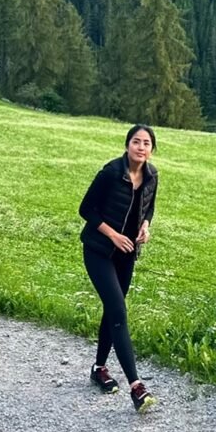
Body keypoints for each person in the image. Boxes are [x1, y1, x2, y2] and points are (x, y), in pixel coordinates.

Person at [78, 124, 158, 413]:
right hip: (99, 250)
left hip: (126, 255)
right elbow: (86, 209)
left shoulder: (151, 176)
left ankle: (99, 368)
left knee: (113, 310)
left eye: (146, 143)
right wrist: (113, 235)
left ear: (151, 150)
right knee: (119, 311)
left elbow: (148, 207)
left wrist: (145, 226)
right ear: (127, 145)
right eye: (136, 141)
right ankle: (137, 387)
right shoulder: (111, 173)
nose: (141, 147)